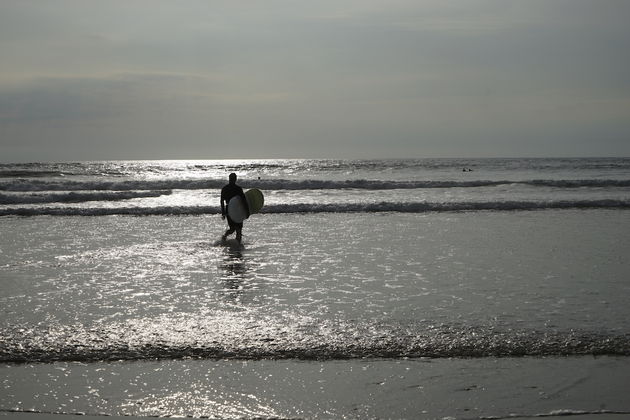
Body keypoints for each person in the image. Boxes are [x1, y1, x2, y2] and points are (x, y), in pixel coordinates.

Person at [220, 173, 249, 243]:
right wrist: (247, 211)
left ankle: (227, 239)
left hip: (231, 209)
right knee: (236, 229)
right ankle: (227, 238)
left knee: (235, 229)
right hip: (236, 210)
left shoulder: (225, 188)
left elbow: (222, 201)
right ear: (235, 179)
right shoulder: (237, 189)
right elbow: (244, 201)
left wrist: (223, 212)